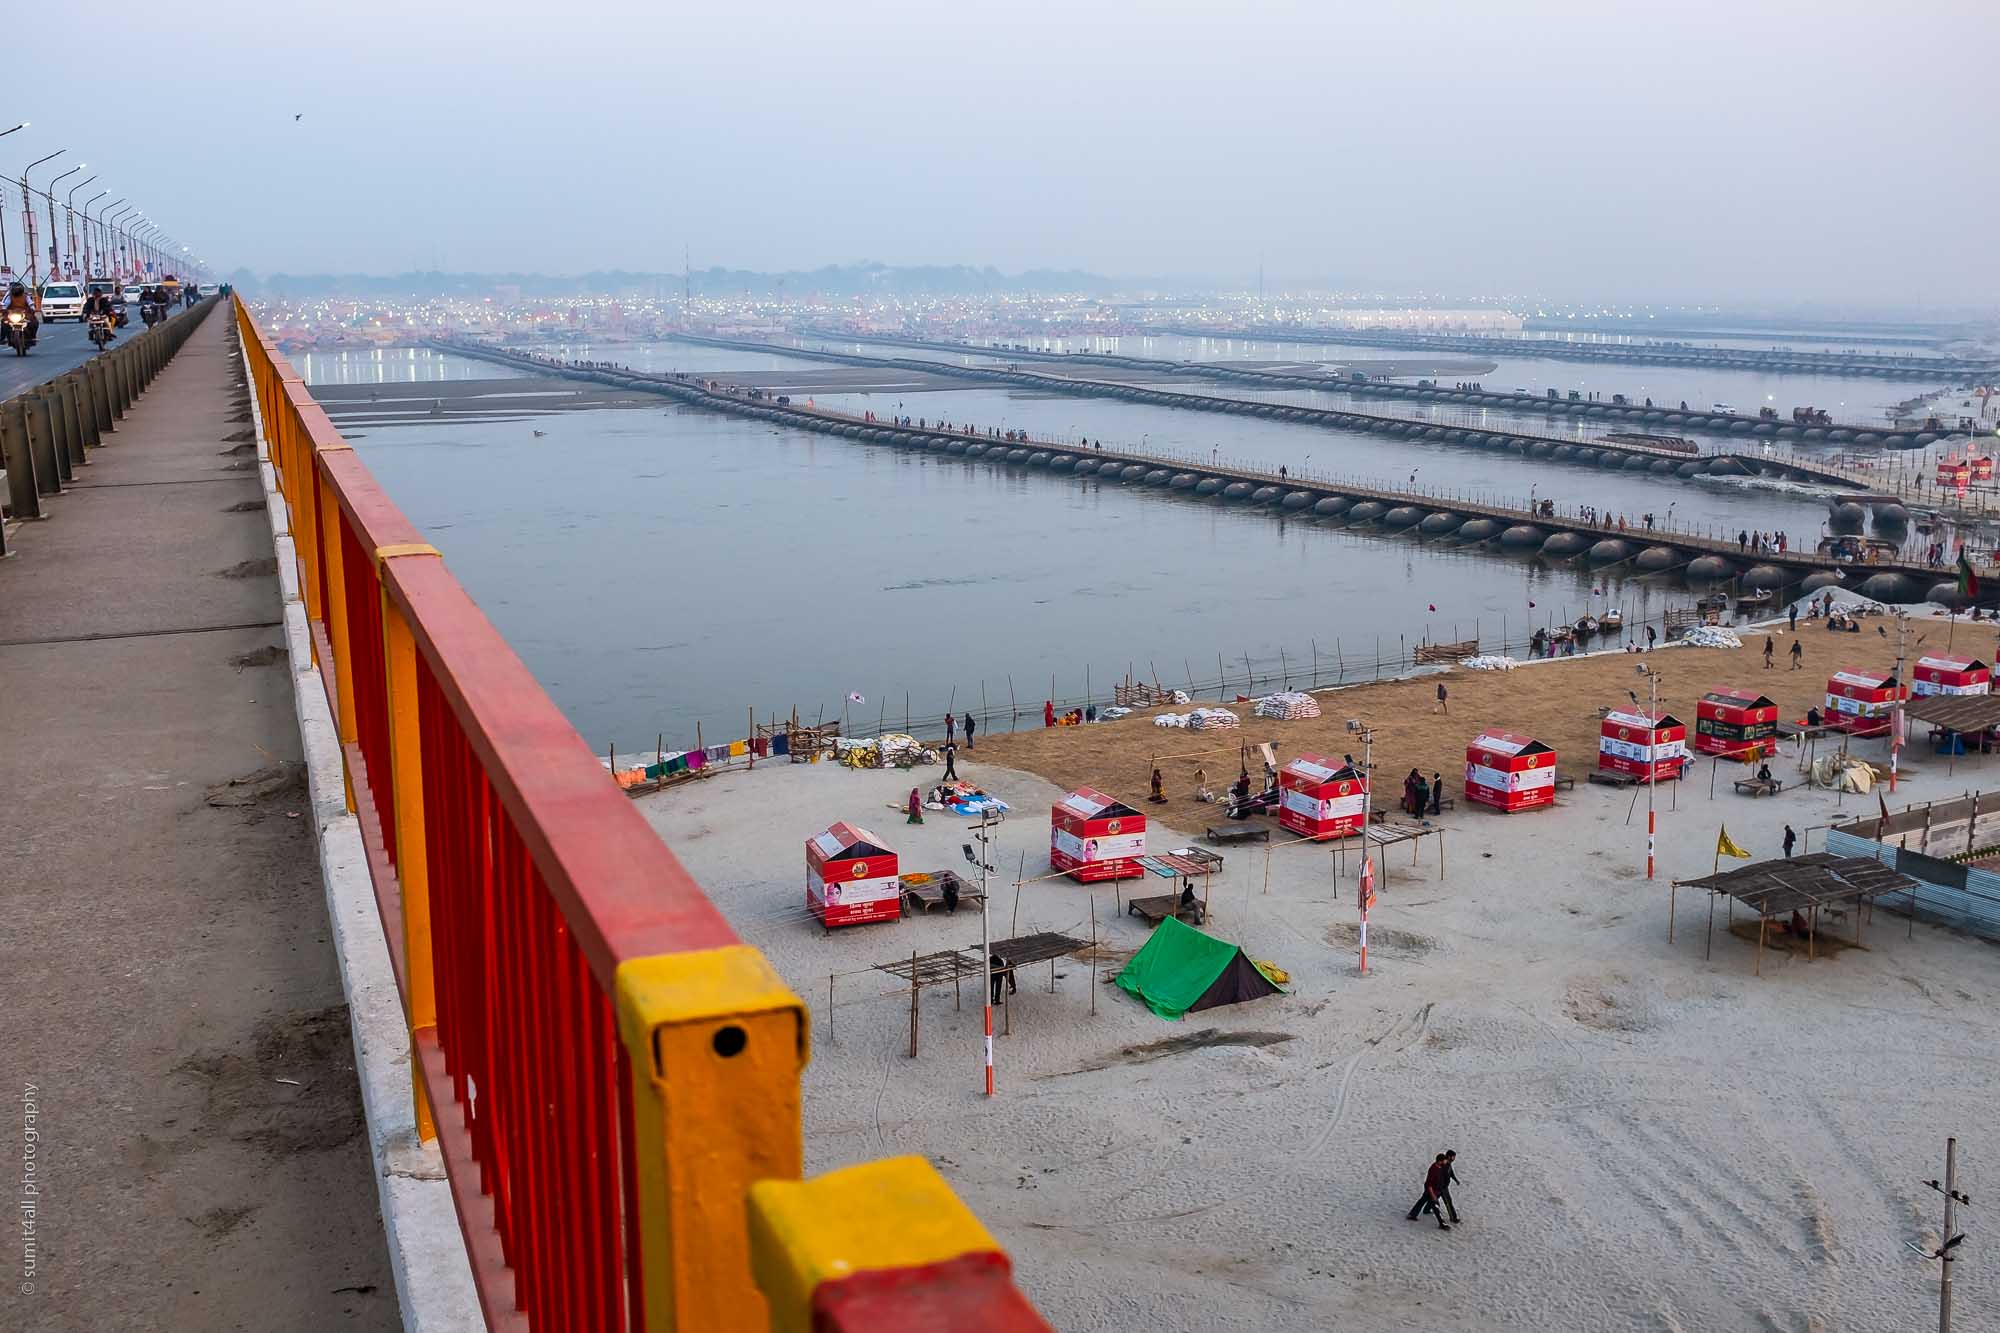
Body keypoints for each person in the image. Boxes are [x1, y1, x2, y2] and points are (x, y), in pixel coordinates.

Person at [1406, 1153, 1453, 1230]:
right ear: (1440, 1161)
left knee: (1422, 1201)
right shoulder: (1433, 1169)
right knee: (1436, 1206)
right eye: (1444, 1161)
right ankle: (1442, 1223)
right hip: (1432, 1191)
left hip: (1435, 1190)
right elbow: (1429, 1184)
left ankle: (1412, 1214)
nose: (1446, 1162)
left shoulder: (1440, 1167)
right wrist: (1433, 1195)